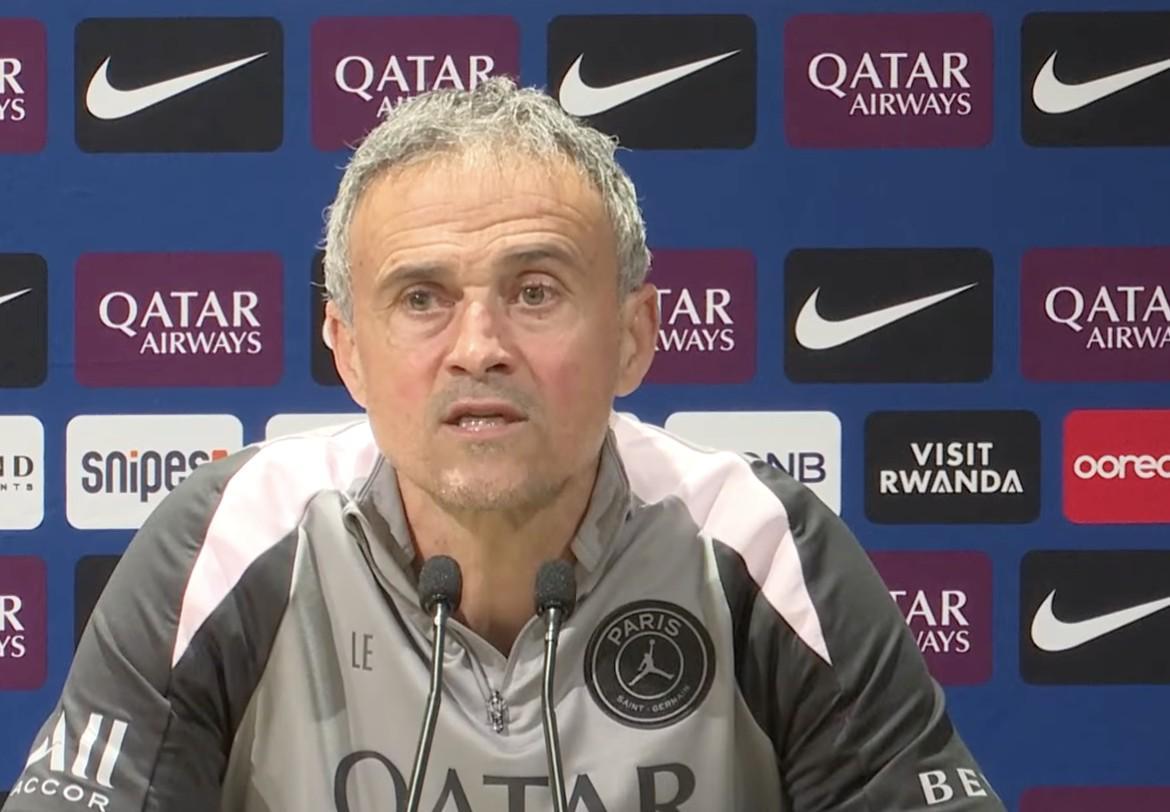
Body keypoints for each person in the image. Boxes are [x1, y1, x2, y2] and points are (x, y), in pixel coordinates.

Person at [3, 76, 1005, 811]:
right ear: (346, 351)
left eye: (534, 291)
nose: (478, 346)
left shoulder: (758, 543)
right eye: (421, 298)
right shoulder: (228, 538)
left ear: (633, 336)